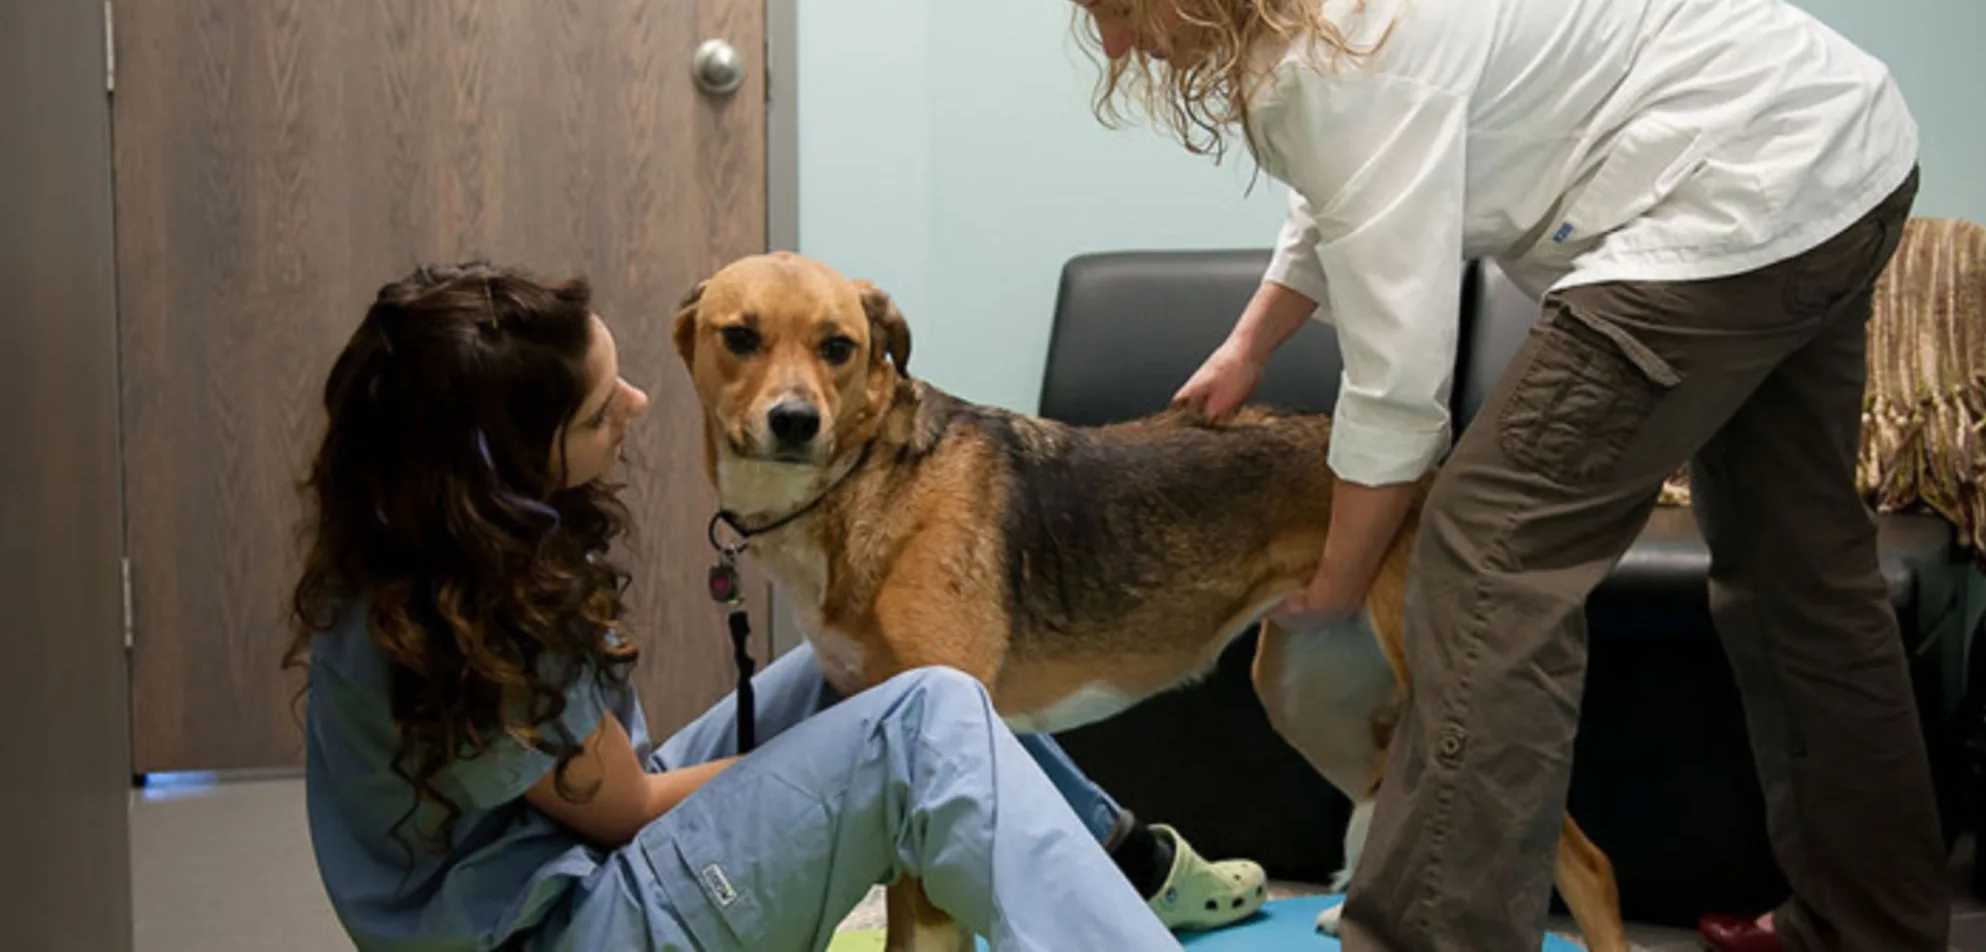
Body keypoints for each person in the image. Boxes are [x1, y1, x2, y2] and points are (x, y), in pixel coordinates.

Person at [1054, 0, 1949, 950]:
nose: (1110, 42)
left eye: (1115, 4)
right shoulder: (1324, 21)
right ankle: (1868, 929)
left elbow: (1399, 385)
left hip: (1727, 190)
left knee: (1486, 545)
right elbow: (1347, 189)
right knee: (1798, 576)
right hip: (1839, 148)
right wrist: (1250, 345)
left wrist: (1339, 581)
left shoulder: (1337, 60)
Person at [285, 262, 1258, 951]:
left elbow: (596, 792)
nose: (637, 402)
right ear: (502, 454)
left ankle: (1122, 860)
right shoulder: (477, 610)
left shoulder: (425, 547)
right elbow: (623, 812)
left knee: (889, 683)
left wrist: (851, 737)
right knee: (921, 718)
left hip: (552, 866)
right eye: (596, 409)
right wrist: (839, 769)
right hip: (571, 925)